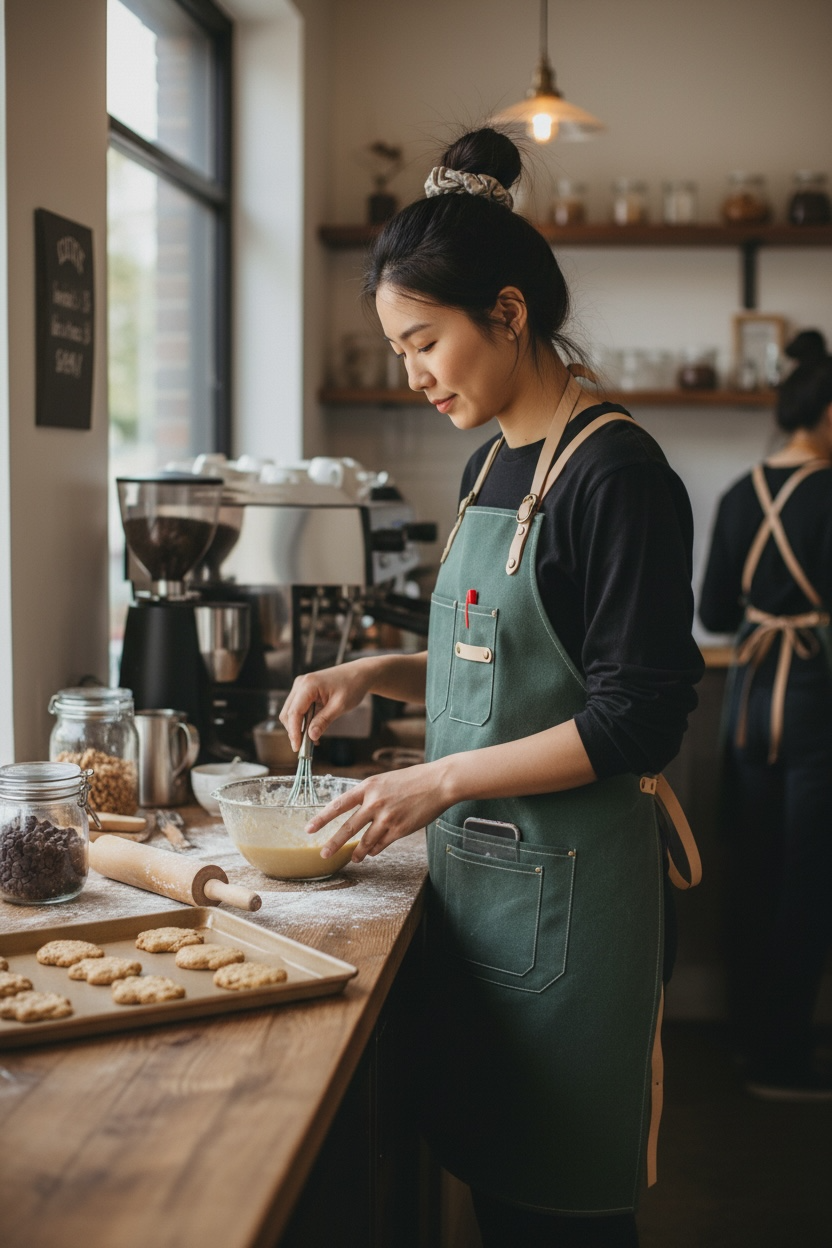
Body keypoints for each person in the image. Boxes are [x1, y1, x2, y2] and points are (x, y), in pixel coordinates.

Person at [281, 128, 703, 1247]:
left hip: (570, 913)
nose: (410, 374)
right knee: (495, 1203)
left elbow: (637, 711)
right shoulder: (487, 469)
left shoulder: (617, 474)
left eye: (424, 341)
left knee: (559, 1218)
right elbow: (514, 662)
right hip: (479, 897)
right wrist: (377, 668)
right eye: (396, 349)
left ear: (506, 315)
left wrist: (438, 781)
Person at [700, 329, 832, 1101]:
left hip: (750, 702)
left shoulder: (738, 493)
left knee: (753, 869)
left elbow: (717, 612)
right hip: (817, 700)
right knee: (807, 880)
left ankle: (748, 1038)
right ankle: (781, 1059)